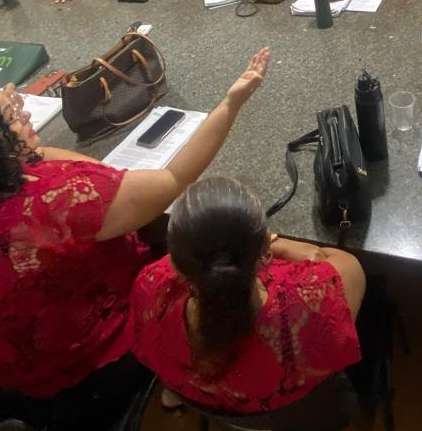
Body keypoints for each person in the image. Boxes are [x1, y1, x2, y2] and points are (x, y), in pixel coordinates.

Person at [0, 49, 270, 415]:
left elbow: (94, 176)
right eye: (12, 116)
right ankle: (180, 379)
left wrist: (23, 146)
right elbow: (172, 179)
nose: (25, 113)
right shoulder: (54, 204)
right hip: (90, 374)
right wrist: (231, 104)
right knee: (212, 262)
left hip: (7, 368)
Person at [132, 176, 364, 414]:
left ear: (176, 265)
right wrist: (272, 242)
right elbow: (338, 261)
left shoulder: (150, 290)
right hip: (305, 412)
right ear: (263, 250)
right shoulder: (316, 299)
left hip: (214, 406)